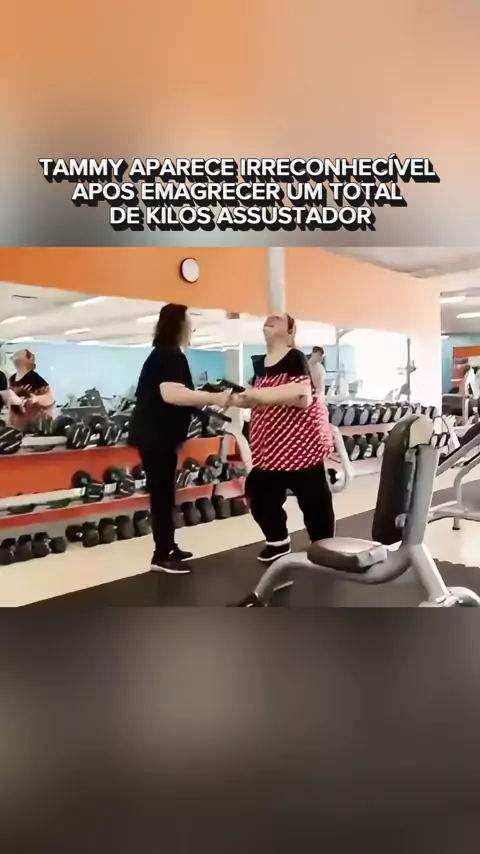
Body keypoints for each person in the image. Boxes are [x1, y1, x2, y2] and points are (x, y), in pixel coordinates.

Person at [128, 303, 231, 575]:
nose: (191, 328)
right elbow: (172, 394)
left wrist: (205, 409)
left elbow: (180, 394)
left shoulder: (166, 354)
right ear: (179, 325)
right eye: (189, 322)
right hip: (156, 436)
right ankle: (162, 555)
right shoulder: (168, 355)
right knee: (162, 496)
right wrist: (213, 397)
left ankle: (169, 546)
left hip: (158, 435)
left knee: (165, 494)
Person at [231, 312, 335, 567]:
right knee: (258, 494)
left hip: (300, 447)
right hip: (270, 448)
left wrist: (257, 395)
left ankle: (324, 546)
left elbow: (302, 395)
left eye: (277, 319)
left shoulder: (294, 357)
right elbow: (256, 397)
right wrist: (235, 397)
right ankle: (278, 542)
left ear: (290, 333)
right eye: (268, 318)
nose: (269, 320)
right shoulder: (261, 364)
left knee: (314, 502)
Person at [9, 349, 55, 430]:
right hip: (17, 422)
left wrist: (35, 399)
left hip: (33, 422)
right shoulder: (12, 379)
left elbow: (49, 399)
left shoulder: (35, 379)